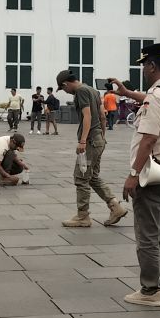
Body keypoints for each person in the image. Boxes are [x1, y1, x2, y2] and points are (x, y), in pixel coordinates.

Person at [108, 43, 160, 307]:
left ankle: (149, 290)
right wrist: (126, 92)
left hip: (151, 173)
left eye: (144, 65)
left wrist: (133, 174)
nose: (143, 69)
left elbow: (149, 139)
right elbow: (154, 100)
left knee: (147, 235)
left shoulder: (156, 96)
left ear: (152, 66)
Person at [56, 71, 127, 228]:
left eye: (63, 89)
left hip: (89, 142)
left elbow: (87, 116)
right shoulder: (93, 90)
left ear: (65, 84)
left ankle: (83, 216)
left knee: (81, 177)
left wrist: (82, 141)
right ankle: (116, 207)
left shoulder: (80, 92)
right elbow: (102, 115)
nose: (66, 92)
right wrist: (102, 136)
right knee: (93, 177)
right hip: (98, 140)